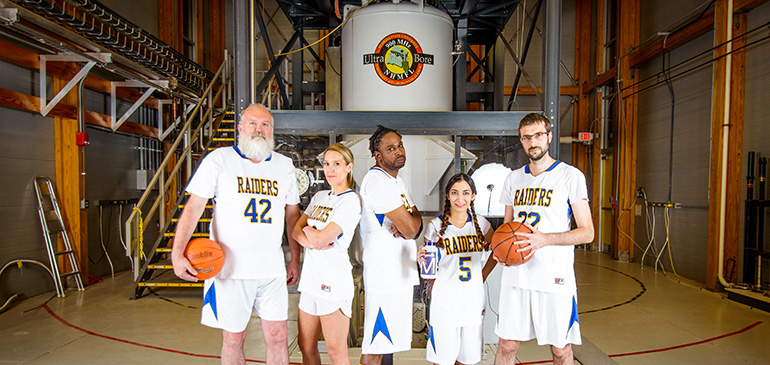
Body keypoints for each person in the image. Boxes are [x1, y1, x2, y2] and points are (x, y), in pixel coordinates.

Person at [171, 103, 301, 365]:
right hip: (230, 269)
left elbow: (292, 216)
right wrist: (177, 252)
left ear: (272, 131)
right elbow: (194, 207)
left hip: (271, 269)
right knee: (233, 338)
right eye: (253, 123)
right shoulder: (220, 159)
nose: (259, 129)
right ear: (240, 128)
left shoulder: (284, 165)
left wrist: (295, 259)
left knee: (278, 335)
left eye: (265, 124)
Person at [494, 113, 595, 365]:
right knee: (507, 345)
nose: (533, 142)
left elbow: (587, 232)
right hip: (516, 275)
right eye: (526, 137)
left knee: (560, 349)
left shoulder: (570, 176)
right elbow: (507, 228)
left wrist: (544, 240)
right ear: (521, 141)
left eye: (538, 135)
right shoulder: (513, 179)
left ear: (549, 137)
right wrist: (500, 250)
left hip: (554, 277)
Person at [358, 125, 422, 365]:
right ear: (378, 155)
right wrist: (409, 224)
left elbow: (416, 222)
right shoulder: (377, 181)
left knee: (388, 345)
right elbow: (412, 227)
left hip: (397, 277)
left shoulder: (397, 181)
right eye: (391, 148)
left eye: (400, 145)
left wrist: (410, 224)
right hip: (384, 277)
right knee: (375, 347)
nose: (398, 151)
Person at [293, 143, 361, 365]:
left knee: (335, 351)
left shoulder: (350, 201)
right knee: (306, 345)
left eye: (337, 164)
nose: (330, 169)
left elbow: (321, 238)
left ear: (349, 167)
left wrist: (311, 235)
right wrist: (312, 237)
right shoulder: (320, 196)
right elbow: (296, 231)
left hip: (333, 283)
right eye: (327, 164)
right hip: (311, 282)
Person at [419, 173, 496, 365]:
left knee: (467, 361)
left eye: (465, 193)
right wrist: (420, 260)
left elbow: (497, 252)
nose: (460, 199)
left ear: (473, 195)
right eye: (454, 193)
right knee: (443, 361)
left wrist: (482, 275)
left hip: (473, 302)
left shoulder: (482, 224)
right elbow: (429, 269)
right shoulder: (435, 226)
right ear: (447, 195)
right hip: (445, 303)